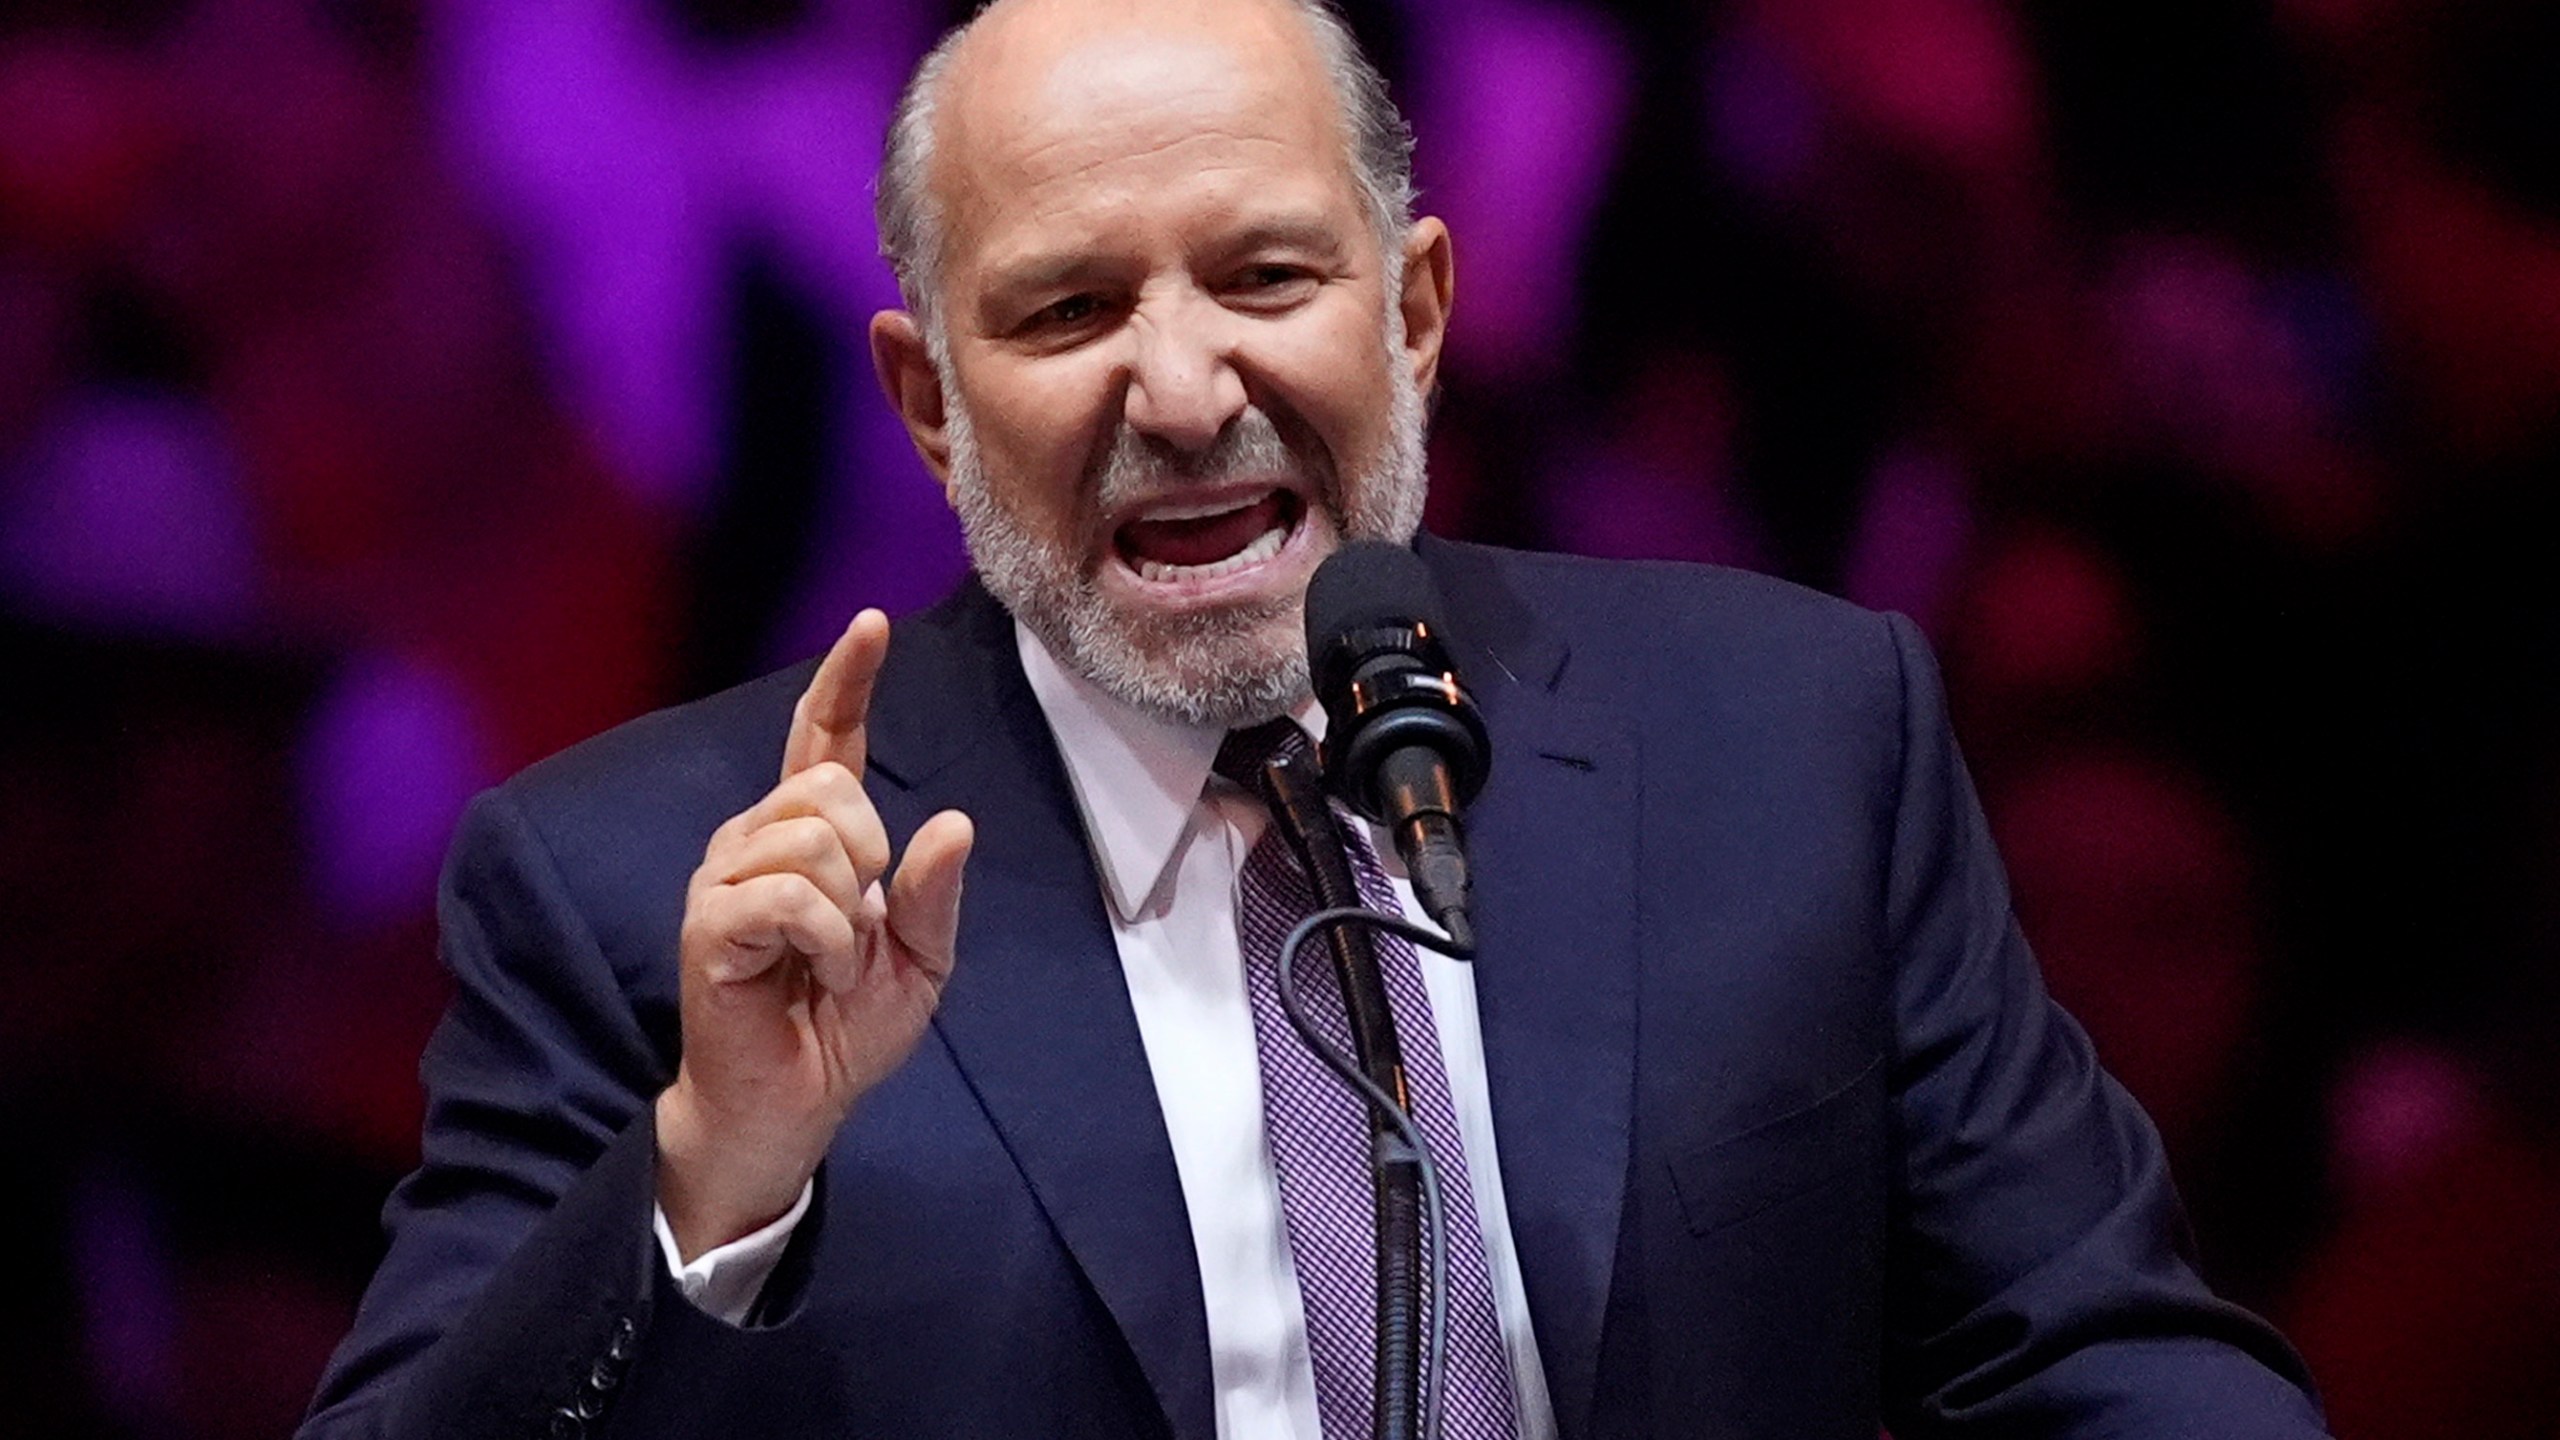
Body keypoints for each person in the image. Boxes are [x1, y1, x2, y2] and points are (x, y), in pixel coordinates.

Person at [300, 0, 2329, 1435]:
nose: (1181, 390)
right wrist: (709, 1177)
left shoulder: (1790, 744)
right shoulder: (645, 891)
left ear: (1417, 315)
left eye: (1265, 276)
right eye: (1068, 309)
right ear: (925, 402)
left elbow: (2101, 1363)